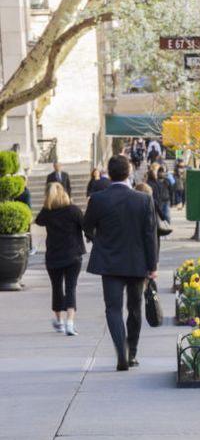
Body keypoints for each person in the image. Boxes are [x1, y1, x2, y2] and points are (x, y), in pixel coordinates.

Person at [83, 155, 158, 371]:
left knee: (113, 309)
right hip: (137, 263)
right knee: (134, 308)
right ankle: (131, 352)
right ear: (129, 172)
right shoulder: (143, 200)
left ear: (109, 172)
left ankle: (121, 350)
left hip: (110, 263)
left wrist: (99, 240)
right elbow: (149, 235)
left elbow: (86, 226)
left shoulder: (98, 199)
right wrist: (152, 266)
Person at [35, 182, 85, 335]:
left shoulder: (47, 212)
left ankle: (59, 322)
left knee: (56, 288)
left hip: (53, 256)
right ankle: (70, 322)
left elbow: (38, 221)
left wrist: (46, 206)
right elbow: (85, 226)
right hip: (73, 254)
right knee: (71, 287)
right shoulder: (73, 210)